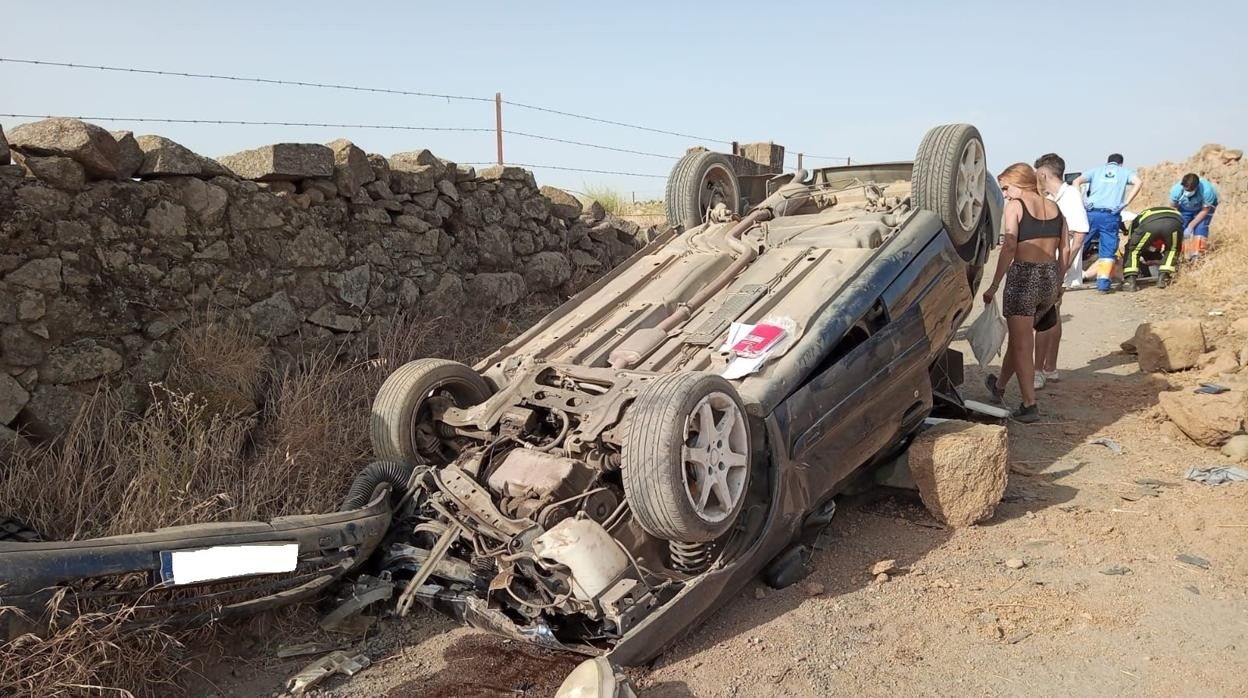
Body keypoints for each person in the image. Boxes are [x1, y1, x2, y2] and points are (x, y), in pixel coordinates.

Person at [982, 163, 1069, 423]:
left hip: (1024, 278)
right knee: (1021, 339)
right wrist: (1059, 283)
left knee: (1022, 344)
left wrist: (994, 284)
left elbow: (1009, 245)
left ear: (1019, 183)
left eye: (1006, 188)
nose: (1006, 194)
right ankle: (998, 387)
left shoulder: (1016, 207)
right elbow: (1064, 250)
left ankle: (1030, 405)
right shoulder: (1055, 208)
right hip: (1049, 278)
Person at [1032, 153, 1089, 389]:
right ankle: (1050, 367)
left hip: (1056, 269)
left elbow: (1079, 235)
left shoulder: (1070, 197)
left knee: (1044, 317)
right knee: (1053, 316)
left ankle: (1038, 371)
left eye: (1037, 174)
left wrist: (1061, 268)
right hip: (1055, 268)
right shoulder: (1055, 197)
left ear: (1044, 174)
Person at [1073, 154, 1143, 293]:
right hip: (1111, 215)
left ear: (1108, 162)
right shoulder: (1125, 172)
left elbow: (1076, 181)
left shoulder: (1096, 170)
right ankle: (1103, 285)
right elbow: (1139, 182)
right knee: (1107, 251)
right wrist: (1126, 203)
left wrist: (1082, 201)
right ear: (1121, 163)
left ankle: (1064, 277)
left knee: (1078, 244)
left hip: (1091, 213)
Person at [1122, 206, 1183, 291]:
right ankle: (1164, 278)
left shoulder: (1138, 219)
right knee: (1172, 250)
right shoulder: (1176, 212)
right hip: (1174, 223)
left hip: (1151, 224)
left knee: (1133, 250)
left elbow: (1131, 240)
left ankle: (1130, 281)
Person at [1170, 173, 1219, 260]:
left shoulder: (1207, 191)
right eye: (1185, 189)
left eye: (1190, 190)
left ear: (1196, 187)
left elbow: (1205, 210)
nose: (1187, 192)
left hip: (1203, 208)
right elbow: (1173, 208)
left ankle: (1197, 256)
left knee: (1201, 227)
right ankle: (1178, 254)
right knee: (1179, 227)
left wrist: (1190, 226)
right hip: (1185, 207)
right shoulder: (1176, 190)